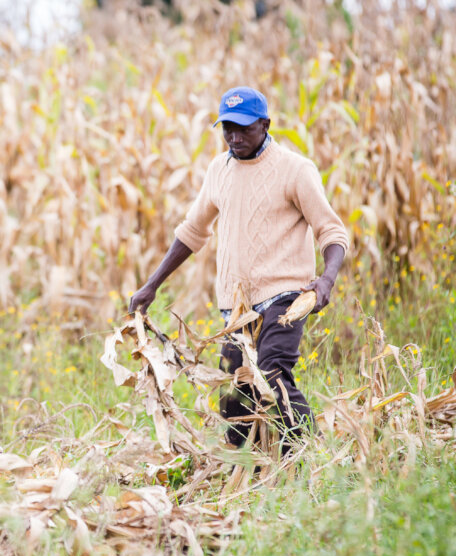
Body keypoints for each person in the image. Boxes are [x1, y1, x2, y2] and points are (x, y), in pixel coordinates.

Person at [128, 86, 348, 450]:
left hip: (285, 296)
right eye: (227, 128)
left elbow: (332, 231)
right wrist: (151, 285)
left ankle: (314, 459)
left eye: (244, 128)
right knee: (235, 397)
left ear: (266, 124)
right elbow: (192, 231)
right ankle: (244, 471)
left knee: (271, 375)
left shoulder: (295, 170)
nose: (234, 137)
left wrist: (326, 279)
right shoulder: (219, 169)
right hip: (237, 309)